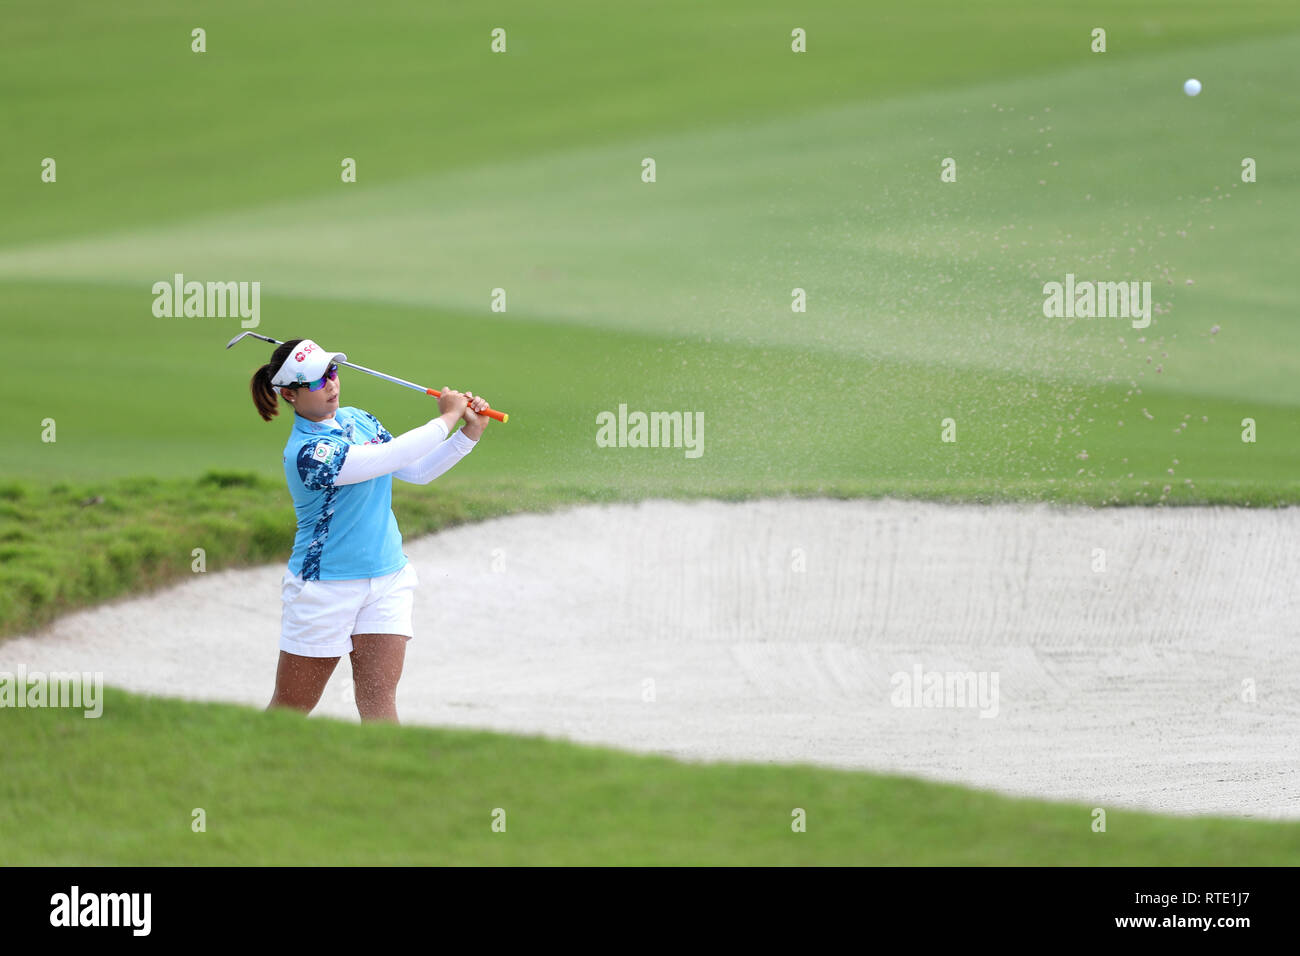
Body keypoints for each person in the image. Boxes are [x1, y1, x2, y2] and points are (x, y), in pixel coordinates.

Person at [247, 337, 491, 723]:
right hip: (324, 588)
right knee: (291, 709)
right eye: (314, 381)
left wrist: (467, 434)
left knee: (379, 703)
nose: (330, 384)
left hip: (388, 578)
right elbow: (388, 457)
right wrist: (445, 419)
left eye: (332, 371)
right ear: (290, 394)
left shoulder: (359, 419)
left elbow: (415, 470)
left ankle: (389, 782)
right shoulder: (308, 452)